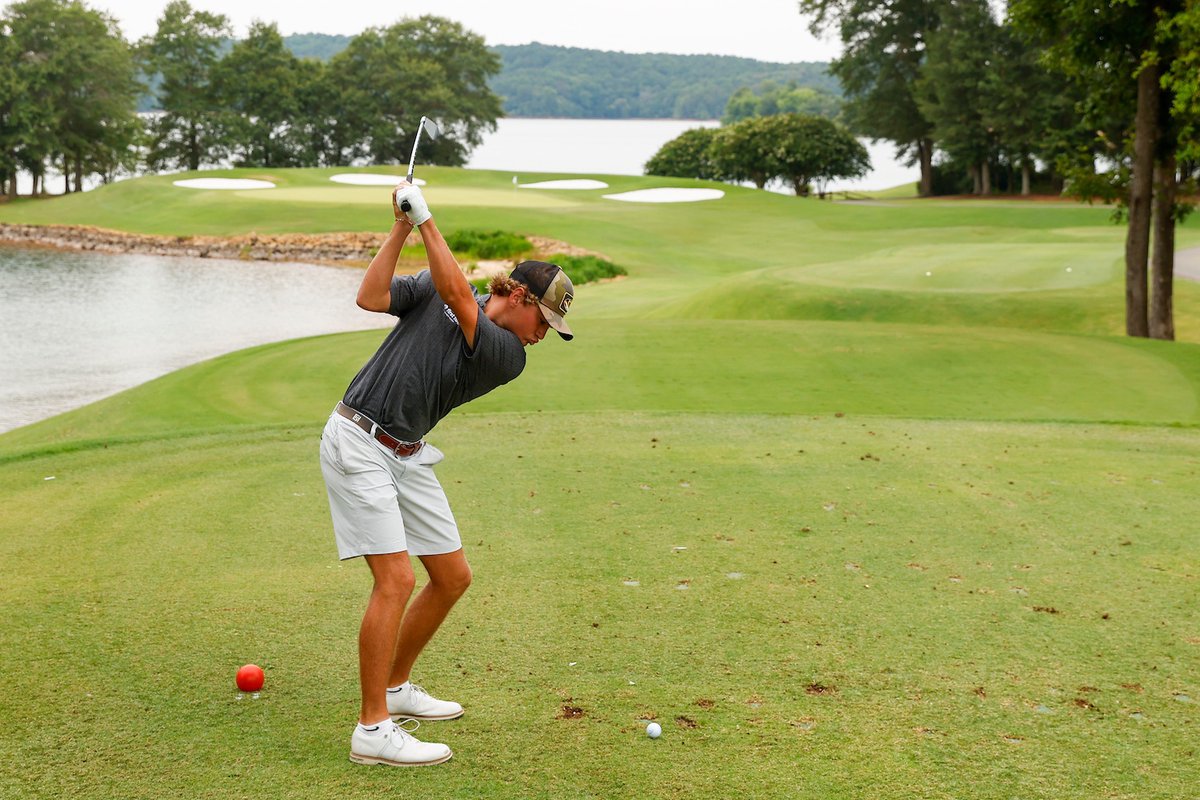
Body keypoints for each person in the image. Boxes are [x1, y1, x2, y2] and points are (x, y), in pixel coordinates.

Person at [318, 181, 574, 767]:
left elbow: (461, 298)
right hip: (358, 439)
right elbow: (371, 296)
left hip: (405, 452)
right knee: (397, 581)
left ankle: (394, 687)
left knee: (452, 575)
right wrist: (402, 228)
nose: (546, 336)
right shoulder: (443, 288)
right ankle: (373, 729)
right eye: (547, 322)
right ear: (524, 300)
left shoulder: (509, 355)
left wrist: (427, 219)